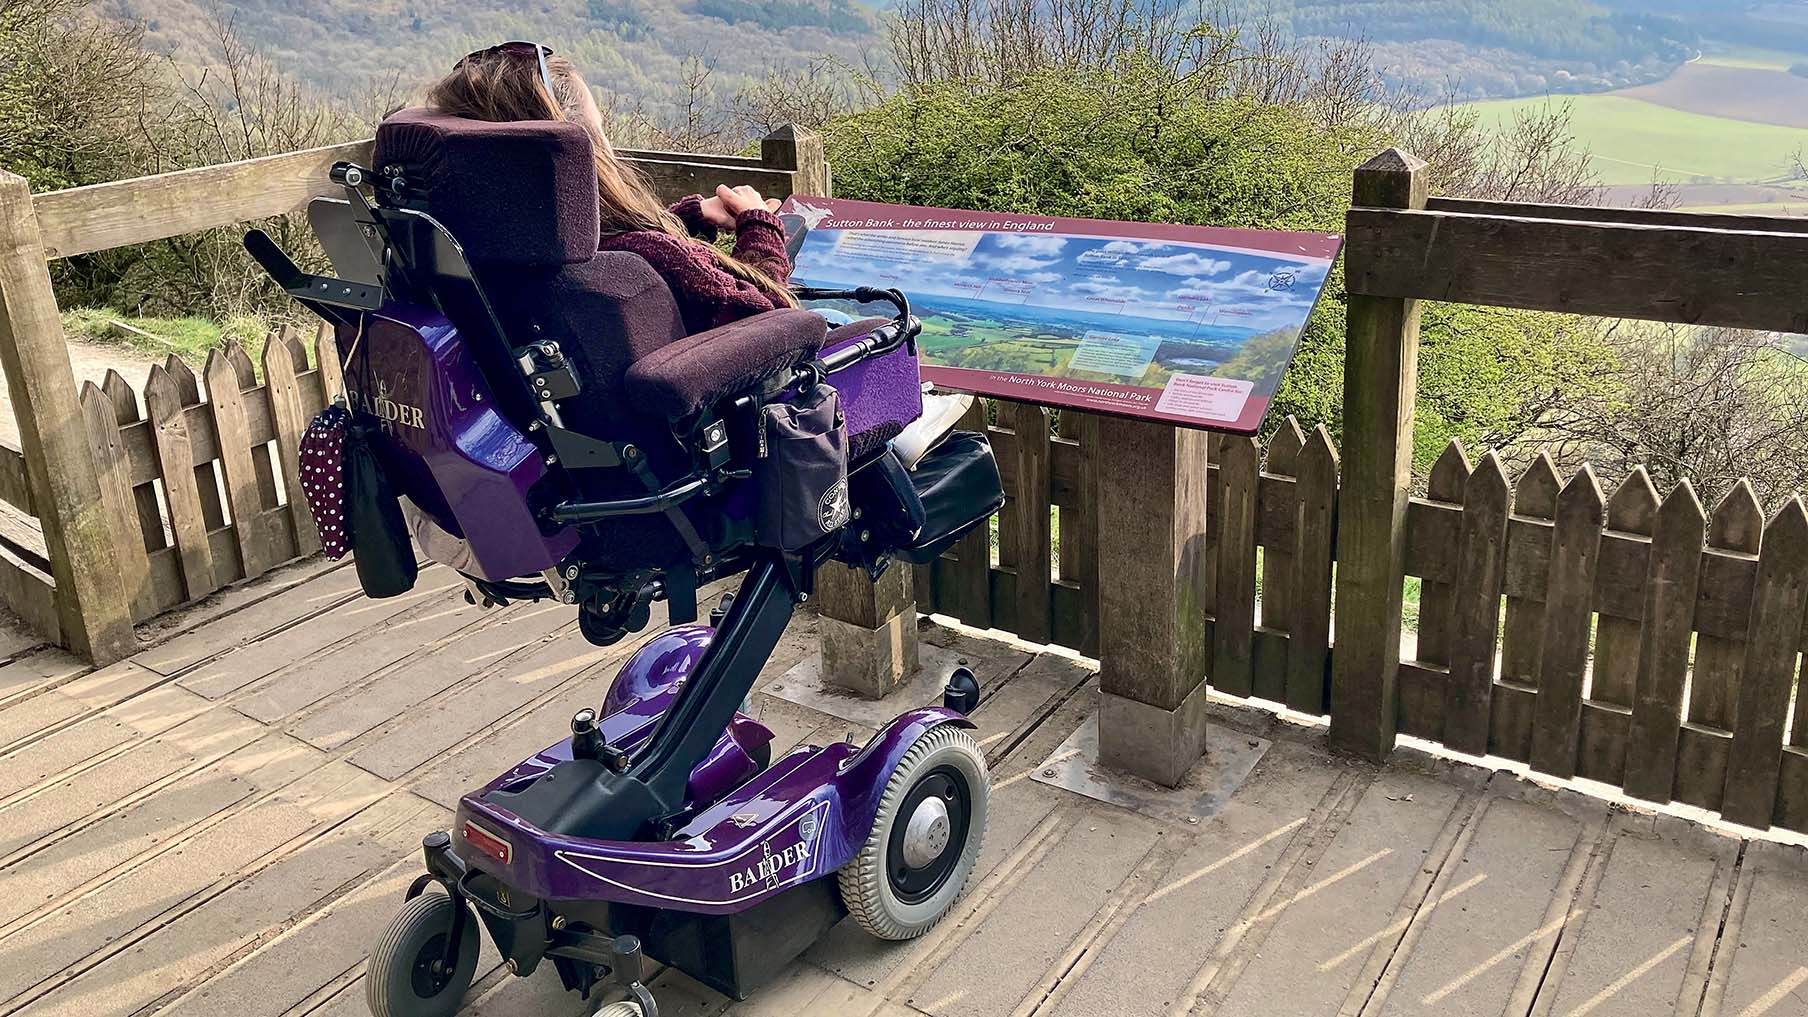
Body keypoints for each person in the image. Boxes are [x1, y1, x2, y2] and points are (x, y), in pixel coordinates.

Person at [426, 43, 798, 335]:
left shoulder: (470, 246)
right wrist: (760, 227)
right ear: (580, 144)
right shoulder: (637, 258)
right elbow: (767, 314)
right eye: (598, 125)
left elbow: (611, 241)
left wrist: (689, 218)